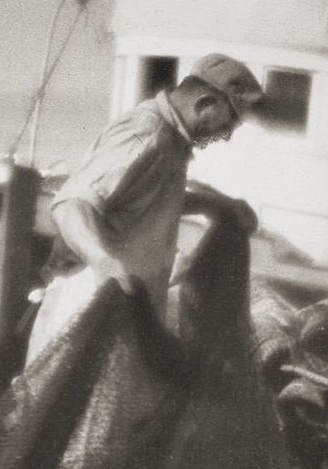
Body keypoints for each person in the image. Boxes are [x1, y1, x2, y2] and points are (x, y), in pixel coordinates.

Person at [25, 53, 264, 363]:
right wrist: (104, 263)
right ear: (204, 103)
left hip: (122, 318)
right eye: (228, 122)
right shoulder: (147, 133)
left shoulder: (172, 139)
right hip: (87, 312)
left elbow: (144, 197)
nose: (227, 136)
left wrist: (213, 204)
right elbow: (72, 204)